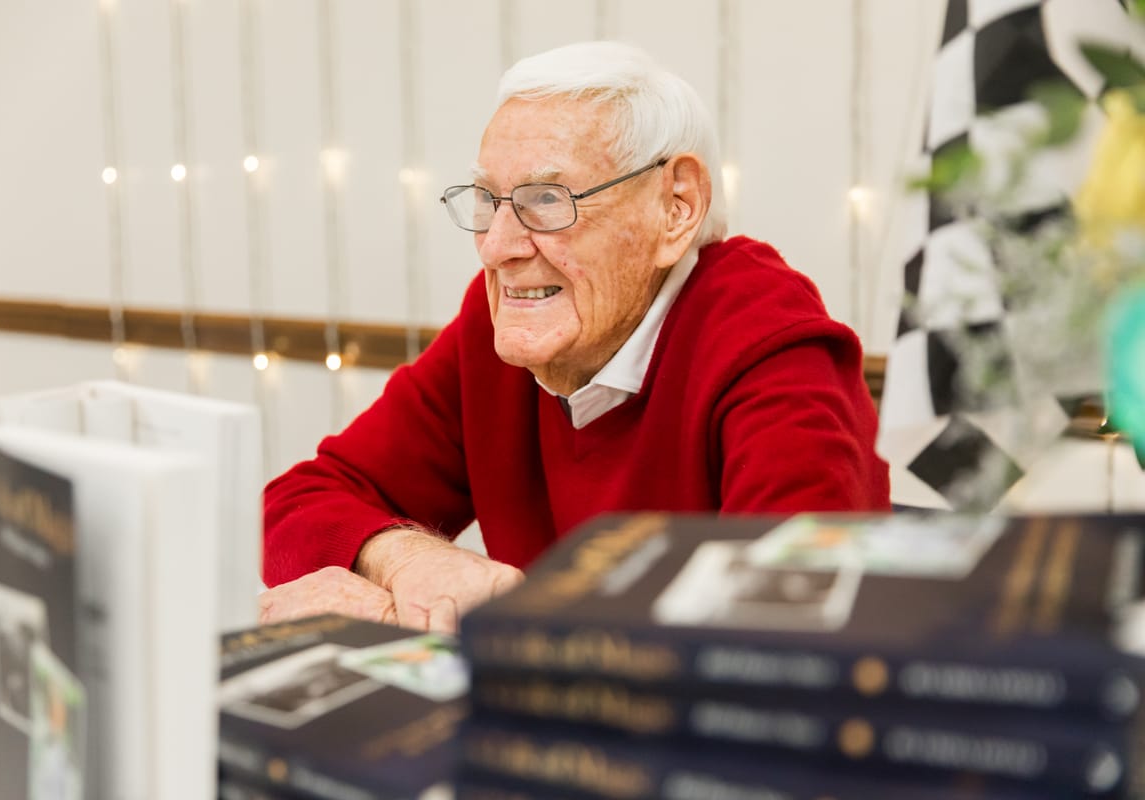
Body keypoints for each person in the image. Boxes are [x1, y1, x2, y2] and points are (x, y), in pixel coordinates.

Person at [259, 41, 890, 633]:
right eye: (488, 199)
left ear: (676, 207)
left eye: (546, 199)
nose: (497, 247)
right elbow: (296, 503)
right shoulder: (501, 327)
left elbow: (787, 630)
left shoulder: (771, 346)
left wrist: (500, 627)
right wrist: (406, 561)